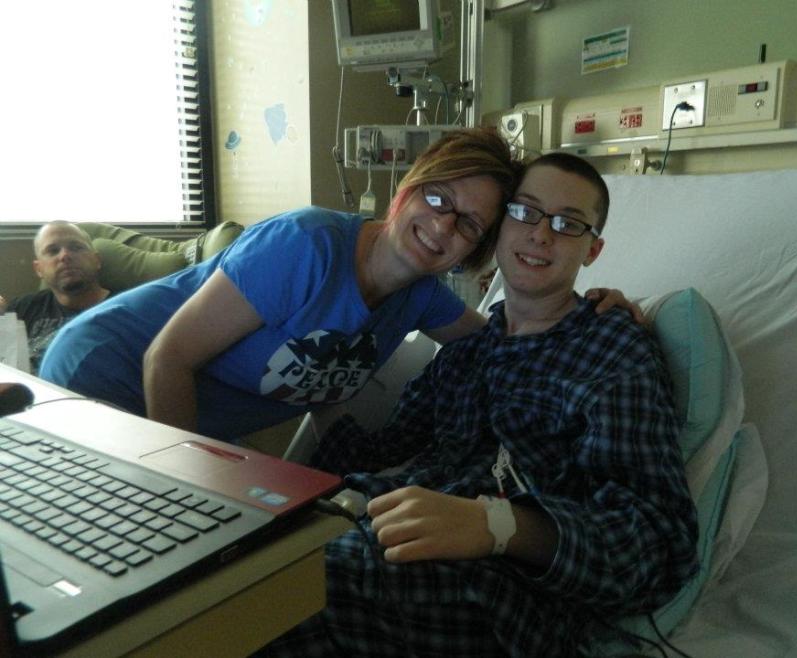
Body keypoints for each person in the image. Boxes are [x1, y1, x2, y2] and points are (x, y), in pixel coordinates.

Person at [257, 153, 699, 658]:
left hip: (500, 598)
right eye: (525, 212)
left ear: (592, 250)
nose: (540, 235)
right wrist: (317, 393)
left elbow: (659, 544)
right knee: (241, 564)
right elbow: (375, 454)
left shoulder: (612, 352)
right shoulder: (467, 355)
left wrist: (501, 525)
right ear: (499, 226)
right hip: (384, 538)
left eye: (567, 224)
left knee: (276, 593)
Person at [39, 129, 637, 441]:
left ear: (473, 250)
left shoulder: (420, 298)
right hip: (103, 372)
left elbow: (509, 342)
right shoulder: (305, 246)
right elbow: (167, 356)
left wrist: (604, 310)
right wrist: (190, 487)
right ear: (406, 190)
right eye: (438, 198)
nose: (442, 226)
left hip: (170, 409)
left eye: (469, 224)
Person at [0, 221, 111, 371]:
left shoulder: (124, 311)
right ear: (38, 269)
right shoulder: (21, 309)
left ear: (96, 260)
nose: (65, 256)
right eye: (53, 251)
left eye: (76, 247)